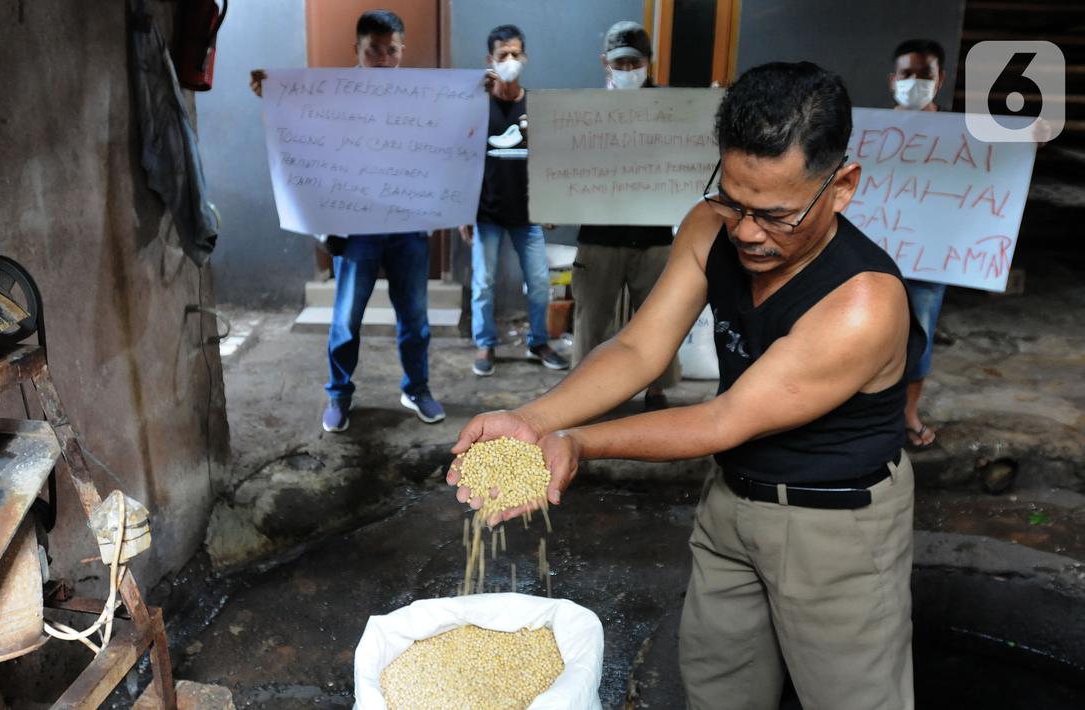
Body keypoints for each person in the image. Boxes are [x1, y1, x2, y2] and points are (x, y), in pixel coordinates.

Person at [450, 62, 926, 709]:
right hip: (731, 501)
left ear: (840, 187)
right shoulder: (709, 226)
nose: (747, 232)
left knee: (850, 700)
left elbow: (720, 419)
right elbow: (639, 348)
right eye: (733, 199)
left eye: (775, 214)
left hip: (834, 528)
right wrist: (530, 420)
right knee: (716, 685)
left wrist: (577, 443)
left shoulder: (863, 304)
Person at [250, 10, 446, 432]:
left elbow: (452, 136)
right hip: (355, 228)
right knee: (345, 320)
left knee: (414, 317)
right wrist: (272, 94)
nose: (383, 59)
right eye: (373, 50)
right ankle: (339, 395)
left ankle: (417, 389)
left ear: (402, 50)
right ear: (355, 49)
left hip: (408, 225)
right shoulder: (331, 95)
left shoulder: (423, 98)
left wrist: (477, 96)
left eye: (392, 50)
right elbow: (294, 122)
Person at [572, 21, 680, 411]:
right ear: (605, 63)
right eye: (621, 62)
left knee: (659, 318)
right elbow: (564, 166)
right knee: (590, 319)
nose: (628, 68)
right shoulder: (580, 115)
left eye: (636, 61)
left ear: (649, 63)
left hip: (653, 235)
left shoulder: (674, 112)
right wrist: (552, 203)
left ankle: (656, 388)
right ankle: (583, 393)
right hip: (599, 234)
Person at [458, 24, 569, 377]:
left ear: (525, 58)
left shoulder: (536, 106)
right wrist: (462, 210)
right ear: (489, 59)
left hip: (528, 213)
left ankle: (538, 341)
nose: (509, 60)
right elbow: (463, 157)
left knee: (538, 281)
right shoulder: (477, 106)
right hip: (486, 213)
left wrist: (551, 203)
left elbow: (550, 158)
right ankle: (485, 343)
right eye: (502, 54)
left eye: (515, 54)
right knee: (483, 283)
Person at [889, 38, 949, 450]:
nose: (914, 82)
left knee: (920, 338)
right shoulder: (866, 129)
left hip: (929, 260)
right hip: (872, 254)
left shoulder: (959, 137)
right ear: (892, 79)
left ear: (939, 80)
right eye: (906, 74)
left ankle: (908, 414)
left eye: (924, 75)